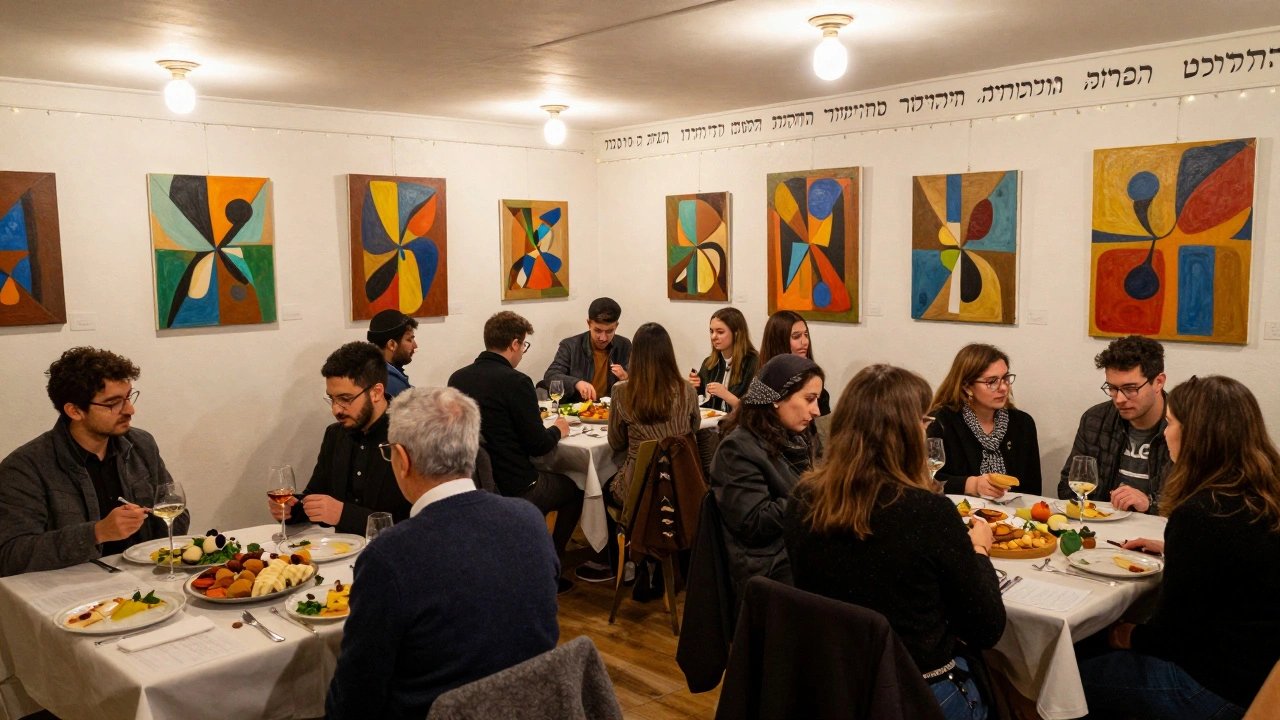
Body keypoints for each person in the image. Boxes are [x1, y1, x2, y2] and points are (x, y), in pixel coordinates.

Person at [784, 364, 1006, 720]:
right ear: (904, 433)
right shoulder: (927, 513)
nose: (925, 431)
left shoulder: (803, 500)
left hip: (833, 688)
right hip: (918, 692)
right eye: (923, 422)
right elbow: (986, 627)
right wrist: (979, 549)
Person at [326, 386, 559, 719]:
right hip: (533, 708)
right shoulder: (529, 519)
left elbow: (354, 701)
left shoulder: (390, 556)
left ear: (402, 460)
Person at [1081, 375, 1280, 718]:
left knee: (1057, 677)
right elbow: (1243, 560)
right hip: (1264, 674)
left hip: (1217, 687)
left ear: (1196, 436)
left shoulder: (1203, 513)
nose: (1165, 433)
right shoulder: (1263, 491)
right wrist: (1174, 549)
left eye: (1170, 423)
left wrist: (1122, 634)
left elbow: (1171, 637)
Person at [0, 347, 190, 576]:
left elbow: (176, 515)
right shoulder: (26, 467)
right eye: (113, 403)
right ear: (75, 411)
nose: (130, 410)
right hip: (73, 592)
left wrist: (160, 518)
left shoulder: (141, 444)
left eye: (128, 397)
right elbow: (10, 555)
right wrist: (97, 533)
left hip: (146, 578)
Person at [449, 311, 580, 593]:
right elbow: (539, 445)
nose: (522, 352)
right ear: (514, 344)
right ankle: (551, 568)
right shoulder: (517, 382)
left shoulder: (457, 378)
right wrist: (559, 429)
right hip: (518, 484)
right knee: (575, 488)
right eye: (524, 346)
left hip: (475, 481)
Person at [575, 323, 701, 584]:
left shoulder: (622, 392)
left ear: (636, 356)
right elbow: (694, 429)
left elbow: (616, 442)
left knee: (601, 485)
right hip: (680, 487)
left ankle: (621, 563)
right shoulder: (687, 391)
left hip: (638, 489)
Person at [709, 354, 823, 599]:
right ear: (776, 399)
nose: (816, 410)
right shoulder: (737, 450)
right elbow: (754, 523)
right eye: (809, 399)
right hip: (767, 569)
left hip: (797, 546)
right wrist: (816, 493)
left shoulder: (800, 436)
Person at [271, 342, 410, 534]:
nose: (335, 409)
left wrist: (344, 515)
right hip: (340, 554)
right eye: (332, 398)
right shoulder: (335, 435)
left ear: (376, 392)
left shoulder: (412, 435)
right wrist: (292, 509)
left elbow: (421, 523)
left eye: (345, 399)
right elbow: (316, 495)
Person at [1059, 335, 1171, 514]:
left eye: (1130, 389)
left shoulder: (1185, 426)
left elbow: (1196, 504)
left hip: (1160, 534)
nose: (1119, 399)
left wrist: (1150, 504)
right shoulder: (1096, 419)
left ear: (1158, 382)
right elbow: (1067, 488)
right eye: (1112, 388)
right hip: (1102, 528)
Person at [928, 343, 1043, 496]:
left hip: (1013, 516)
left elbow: (1032, 490)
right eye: (992, 382)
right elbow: (923, 481)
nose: (1003, 388)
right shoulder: (940, 422)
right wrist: (968, 485)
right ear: (967, 387)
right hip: (958, 513)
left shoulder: (1022, 423)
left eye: (1005, 378)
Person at [544, 297, 632, 403]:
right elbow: (551, 376)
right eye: (598, 330)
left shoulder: (624, 345)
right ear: (589, 323)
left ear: (616, 326)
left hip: (612, 411)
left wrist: (626, 378)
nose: (603, 338)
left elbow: (640, 384)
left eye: (609, 331)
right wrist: (577, 383)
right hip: (577, 412)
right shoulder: (570, 346)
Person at [758, 310, 831, 415]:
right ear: (778, 342)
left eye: (806, 335)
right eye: (796, 336)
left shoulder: (816, 385)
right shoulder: (762, 388)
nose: (804, 342)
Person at [690, 307, 758, 413]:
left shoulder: (753, 363)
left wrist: (726, 395)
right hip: (712, 425)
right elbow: (701, 401)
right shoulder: (709, 363)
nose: (713, 337)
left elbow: (754, 412)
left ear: (736, 333)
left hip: (739, 426)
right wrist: (694, 388)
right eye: (711, 331)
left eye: (720, 332)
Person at [366, 309, 419, 399]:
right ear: (391, 344)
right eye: (409, 339)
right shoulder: (389, 383)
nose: (415, 345)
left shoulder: (370, 371)